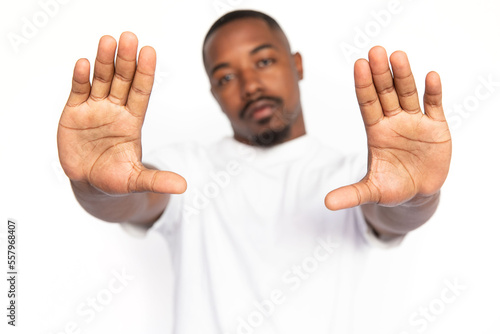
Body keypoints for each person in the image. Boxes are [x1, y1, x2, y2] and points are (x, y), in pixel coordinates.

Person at [57, 9, 452, 334]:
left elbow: (395, 213)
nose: (249, 85)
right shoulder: (187, 169)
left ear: (296, 65)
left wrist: (418, 194)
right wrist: (92, 184)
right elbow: (129, 200)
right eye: (226, 77)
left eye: (264, 61)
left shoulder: (352, 177)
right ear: (214, 95)